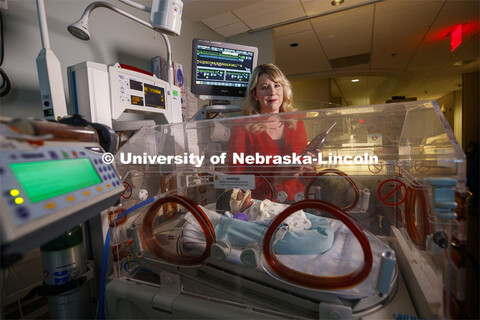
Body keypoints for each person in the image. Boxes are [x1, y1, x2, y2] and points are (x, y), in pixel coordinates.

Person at [228, 63, 311, 202]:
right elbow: (236, 180)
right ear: (255, 94)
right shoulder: (242, 128)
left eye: (277, 85)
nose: (272, 92)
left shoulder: (296, 124)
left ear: (283, 89)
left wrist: (310, 166)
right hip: (260, 205)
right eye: (265, 87)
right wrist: (276, 179)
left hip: (296, 202)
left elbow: (303, 175)